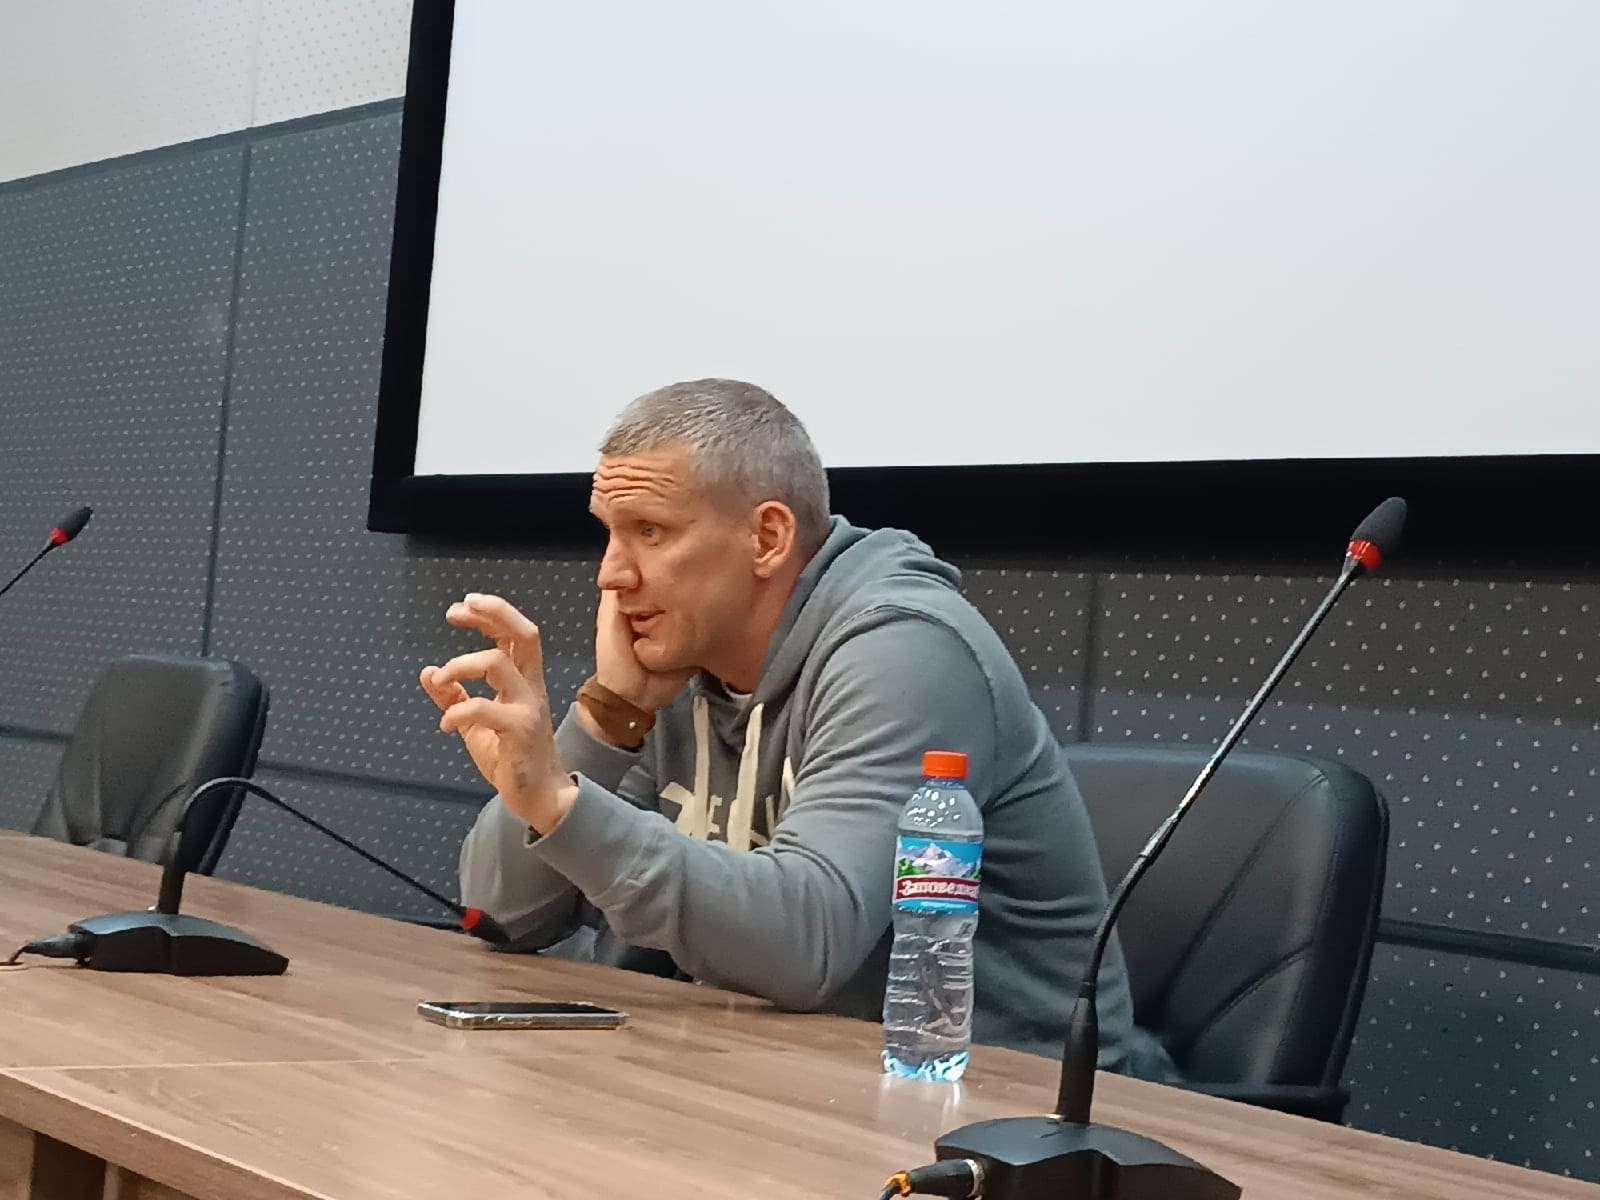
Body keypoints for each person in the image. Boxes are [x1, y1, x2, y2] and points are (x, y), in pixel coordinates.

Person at [421, 379, 1170, 1074]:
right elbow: (503, 917)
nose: (611, 574)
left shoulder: (906, 650)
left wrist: (557, 801)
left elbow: (808, 942)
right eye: (610, 534)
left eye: (649, 530)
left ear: (768, 538)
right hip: (778, 1074)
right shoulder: (679, 665)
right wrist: (607, 718)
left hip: (1001, 1105)